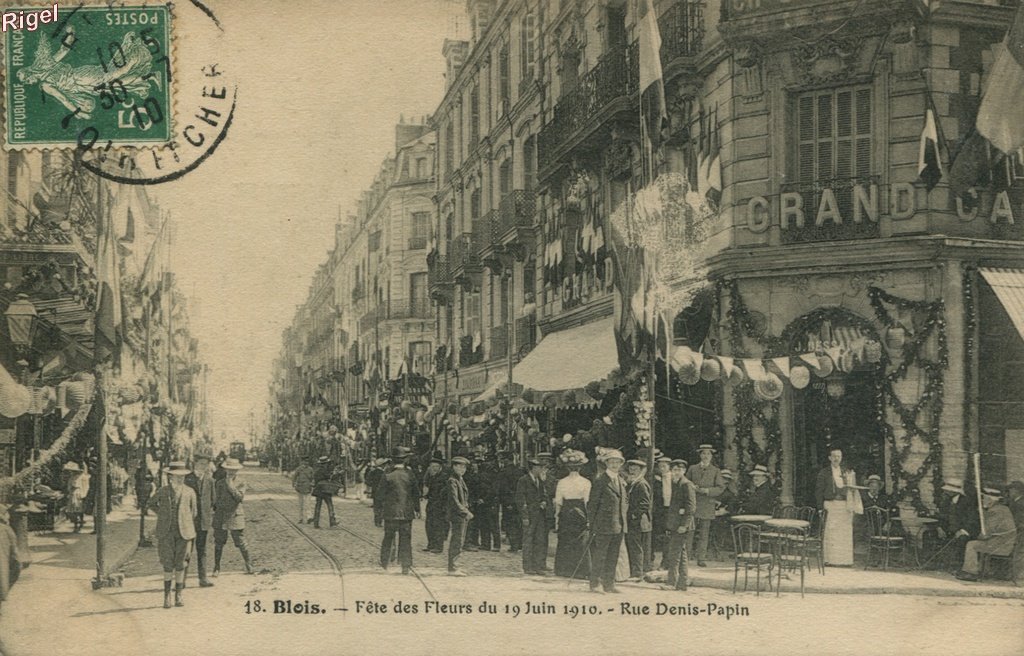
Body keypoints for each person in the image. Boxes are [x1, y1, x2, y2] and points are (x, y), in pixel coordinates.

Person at [147, 462, 196, 609]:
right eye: (177, 476)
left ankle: (178, 595)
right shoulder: (163, 491)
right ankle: (167, 596)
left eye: (182, 477)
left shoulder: (190, 492)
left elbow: (194, 512)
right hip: (166, 532)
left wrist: (184, 521)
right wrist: (163, 515)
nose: (180, 479)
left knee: (181, 564)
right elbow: (151, 503)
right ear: (170, 477)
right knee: (167, 564)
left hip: (184, 532)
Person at [587, 449, 629, 594]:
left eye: (617, 462)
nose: (614, 464)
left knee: (613, 556)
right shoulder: (600, 481)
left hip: (619, 525)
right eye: (611, 462)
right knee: (600, 555)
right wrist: (592, 525)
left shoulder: (621, 480)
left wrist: (623, 523)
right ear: (606, 464)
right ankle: (595, 584)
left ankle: (609, 584)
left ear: (621, 464)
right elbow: (592, 505)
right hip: (603, 526)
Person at [957, 487, 1018, 581]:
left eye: (984, 498)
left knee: (971, 544)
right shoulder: (1003, 509)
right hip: (1004, 543)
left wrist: (972, 536)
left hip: (1000, 545)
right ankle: (978, 570)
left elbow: (986, 533)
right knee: (976, 543)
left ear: (990, 500)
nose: (982, 500)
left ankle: (971, 572)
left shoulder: (995, 511)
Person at [814, 447, 861, 566]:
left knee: (844, 532)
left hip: (844, 505)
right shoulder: (824, 472)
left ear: (841, 458)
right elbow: (818, 491)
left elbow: (852, 489)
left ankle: (845, 561)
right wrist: (820, 508)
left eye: (838, 456)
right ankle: (830, 560)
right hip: (831, 504)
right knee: (832, 532)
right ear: (829, 458)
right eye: (834, 456)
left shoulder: (846, 472)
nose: (836, 459)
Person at [379, 447, 420, 575]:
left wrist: (379, 513)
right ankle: (405, 566)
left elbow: (379, 495)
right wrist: (417, 509)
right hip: (406, 514)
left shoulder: (387, 475)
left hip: (390, 513)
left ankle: (385, 563)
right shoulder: (410, 474)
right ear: (405, 460)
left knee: (388, 538)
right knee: (406, 540)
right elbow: (415, 493)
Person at [213, 458, 255, 575]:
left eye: (234, 470)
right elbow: (216, 500)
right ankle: (216, 567)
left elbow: (239, 498)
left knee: (240, 541)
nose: (231, 472)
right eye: (229, 469)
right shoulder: (219, 483)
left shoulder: (241, 482)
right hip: (221, 515)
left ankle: (249, 564)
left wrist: (231, 486)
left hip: (235, 515)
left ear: (237, 470)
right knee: (219, 542)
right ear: (225, 469)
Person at [553, 449, 591, 578]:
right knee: (580, 541)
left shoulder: (562, 482)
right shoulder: (586, 482)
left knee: (565, 540)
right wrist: (589, 518)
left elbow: (558, 502)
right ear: (580, 468)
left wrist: (557, 519)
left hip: (566, 512)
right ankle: (580, 571)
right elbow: (587, 502)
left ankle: (564, 570)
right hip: (580, 512)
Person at [686, 444, 725, 567]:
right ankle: (685, 557)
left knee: (704, 533)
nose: (706, 456)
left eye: (708, 454)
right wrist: (692, 487)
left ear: (711, 456)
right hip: (693, 503)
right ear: (700, 455)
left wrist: (707, 491)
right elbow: (685, 483)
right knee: (689, 531)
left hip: (707, 505)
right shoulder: (692, 468)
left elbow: (720, 487)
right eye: (703, 453)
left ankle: (701, 558)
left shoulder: (715, 471)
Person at [662, 459, 697, 591]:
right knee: (681, 554)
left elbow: (691, 507)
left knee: (674, 553)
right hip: (676, 524)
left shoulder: (686, 484)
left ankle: (671, 582)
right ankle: (682, 583)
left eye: (679, 470)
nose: (676, 472)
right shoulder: (675, 484)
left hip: (682, 525)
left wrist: (684, 525)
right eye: (674, 470)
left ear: (684, 471)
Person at [184, 454, 216, 588]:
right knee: (186, 551)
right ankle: (182, 580)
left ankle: (203, 579)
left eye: (206, 464)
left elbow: (213, 500)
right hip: (189, 521)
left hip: (203, 521)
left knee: (202, 550)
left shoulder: (209, 480)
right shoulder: (187, 479)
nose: (203, 467)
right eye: (201, 464)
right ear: (195, 464)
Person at [516, 457, 551, 576]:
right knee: (528, 541)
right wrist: (525, 516)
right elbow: (521, 500)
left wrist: (544, 502)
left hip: (540, 515)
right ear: (533, 468)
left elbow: (544, 495)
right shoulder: (524, 480)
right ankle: (528, 567)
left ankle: (538, 565)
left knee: (539, 540)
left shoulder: (540, 480)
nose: (541, 469)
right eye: (539, 467)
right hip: (530, 515)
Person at [940, 478, 980, 572]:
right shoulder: (947, 501)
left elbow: (972, 520)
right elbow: (943, 517)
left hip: (966, 531)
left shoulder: (967, 502)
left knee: (961, 540)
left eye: (948, 490)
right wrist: (940, 528)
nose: (945, 491)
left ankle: (958, 568)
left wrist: (962, 531)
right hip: (951, 530)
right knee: (930, 533)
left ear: (954, 491)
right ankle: (937, 564)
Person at [625, 458, 652, 579]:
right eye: (631, 469)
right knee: (634, 545)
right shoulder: (634, 483)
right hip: (635, 520)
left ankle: (637, 572)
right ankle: (636, 570)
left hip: (639, 521)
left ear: (641, 471)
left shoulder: (641, 484)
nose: (632, 472)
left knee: (637, 546)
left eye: (635, 469)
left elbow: (645, 503)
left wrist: (633, 515)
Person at [447, 456, 473, 576]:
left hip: (461, 515)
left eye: (464, 467)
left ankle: (454, 565)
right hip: (458, 515)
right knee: (457, 540)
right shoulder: (452, 480)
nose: (462, 469)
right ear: (454, 467)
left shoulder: (459, 479)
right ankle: (453, 567)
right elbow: (454, 500)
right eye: (459, 466)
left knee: (459, 540)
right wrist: (465, 511)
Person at [422, 457, 449, 553]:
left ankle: (438, 546)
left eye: (436, 466)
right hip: (431, 503)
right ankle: (431, 544)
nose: (433, 468)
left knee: (438, 525)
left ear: (440, 467)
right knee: (429, 524)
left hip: (440, 505)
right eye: (432, 466)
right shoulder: (431, 476)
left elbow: (445, 493)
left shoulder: (444, 477)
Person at [496, 452, 522, 552]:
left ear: (507, 460)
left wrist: (508, 503)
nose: (502, 462)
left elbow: (504, 489)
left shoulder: (504, 472)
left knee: (510, 523)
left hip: (509, 502)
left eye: (503, 460)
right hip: (519, 501)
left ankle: (514, 545)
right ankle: (519, 544)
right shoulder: (519, 471)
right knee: (518, 522)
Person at [652, 455, 674, 568]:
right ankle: (656, 561)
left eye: (664, 466)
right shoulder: (656, 479)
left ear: (669, 467)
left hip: (671, 509)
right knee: (659, 535)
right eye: (660, 466)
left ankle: (667, 562)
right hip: (661, 510)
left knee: (669, 536)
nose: (662, 468)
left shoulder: (674, 478)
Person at [475, 456, 500, 551]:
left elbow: (493, 491)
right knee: (488, 524)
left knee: (490, 524)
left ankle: (490, 544)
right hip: (489, 502)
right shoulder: (494, 476)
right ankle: (489, 544)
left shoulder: (484, 476)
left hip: (490, 502)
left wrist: (483, 499)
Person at [312, 455, 339, 529]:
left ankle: (316, 523)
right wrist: (336, 474)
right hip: (326, 490)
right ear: (325, 464)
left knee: (318, 506)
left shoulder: (317, 471)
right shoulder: (325, 471)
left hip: (318, 490)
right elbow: (330, 477)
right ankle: (332, 522)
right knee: (330, 506)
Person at [63, 462, 88, 532]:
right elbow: (69, 486)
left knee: (78, 509)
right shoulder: (71, 477)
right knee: (71, 510)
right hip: (72, 493)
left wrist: (83, 494)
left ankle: (78, 524)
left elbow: (85, 486)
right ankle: (76, 524)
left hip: (78, 493)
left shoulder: (82, 477)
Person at [291, 458, 315, 524]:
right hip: (300, 488)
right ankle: (300, 518)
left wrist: (312, 484)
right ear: (302, 461)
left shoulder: (311, 469)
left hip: (308, 488)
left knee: (308, 504)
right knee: (300, 504)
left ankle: (309, 517)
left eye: (307, 461)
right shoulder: (299, 469)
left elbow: (313, 478)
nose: (306, 462)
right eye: (305, 461)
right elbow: (294, 477)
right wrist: (294, 484)